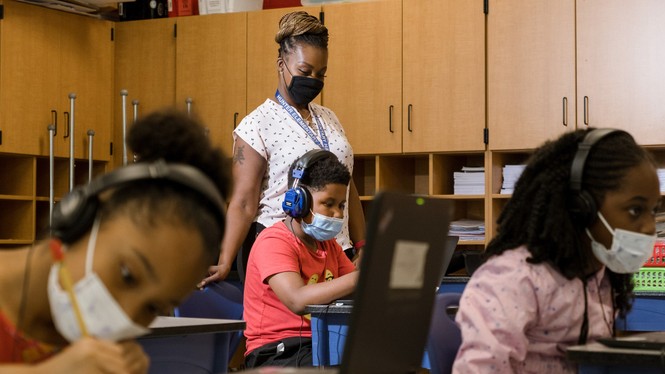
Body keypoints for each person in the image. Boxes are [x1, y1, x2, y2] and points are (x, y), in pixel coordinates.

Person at [0, 109, 229, 373]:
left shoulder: (90, 356)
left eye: (153, 307)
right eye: (127, 274)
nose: (125, 314)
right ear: (84, 216)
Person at [452, 128, 661, 373]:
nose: (649, 227)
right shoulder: (513, 280)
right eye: (635, 210)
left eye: (653, 211)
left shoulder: (599, 277)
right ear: (581, 208)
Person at [200, 10, 366, 286]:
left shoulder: (330, 118)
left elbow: (348, 188)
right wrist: (225, 261)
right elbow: (243, 202)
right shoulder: (256, 124)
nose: (312, 79)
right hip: (285, 252)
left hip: (337, 250)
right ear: (281, 64)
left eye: (321, 74)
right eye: (304, 71)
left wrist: (362, 244)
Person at [242, 150, 359, 368]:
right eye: (328, 203)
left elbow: (355, 286)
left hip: (321, 343)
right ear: (298, 201)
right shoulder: (274, 241)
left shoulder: (328, 245)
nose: (337, 214)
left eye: (341, 205)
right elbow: (297, 300)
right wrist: (363, 278)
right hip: (277, 352)